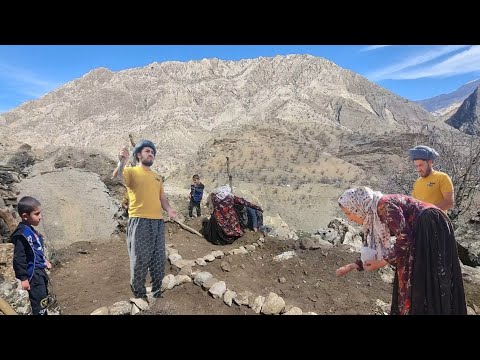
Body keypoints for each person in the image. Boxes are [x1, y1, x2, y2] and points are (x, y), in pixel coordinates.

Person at [335, 186, 466, 315]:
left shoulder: (384, 205)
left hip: (429, 226)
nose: (350, 218)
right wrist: (355, 265)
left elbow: (404, 239)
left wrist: (383, 262)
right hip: (420, 231)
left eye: (348, 213)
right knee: (415, 277)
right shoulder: (373, 217)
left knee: (427, 279)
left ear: (357, 206)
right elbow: (375, 248)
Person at [113, 139, 177, 299]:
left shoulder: (157, 177)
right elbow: (117, 176)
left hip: (158, 222)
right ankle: (139, 295)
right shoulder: (132, 171)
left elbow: (162, 197)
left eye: (153, 152)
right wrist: (122, 160)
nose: (151, 154)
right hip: (140, 221)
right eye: (147, 151)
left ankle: (156, 292)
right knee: (140, 260)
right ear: (139, 154)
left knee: (159, 259)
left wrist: (169, 209)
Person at [12, 196, 52, 315]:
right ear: (25, 216)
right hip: (33, 276)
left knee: (44, 299)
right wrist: (23, 278)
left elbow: (35, 250)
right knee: (39, 303)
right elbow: (19, 257)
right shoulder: (21, 234)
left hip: (40, 272)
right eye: (37, 214)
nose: (40, 217)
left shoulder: (30, 230)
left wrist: (45, 262)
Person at [409, 145, 454, 212]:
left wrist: (427, 212)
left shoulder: (442, 177)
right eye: (416, 166)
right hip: (420, 222)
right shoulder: (417, 183)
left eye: (421, 165)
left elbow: (449, 202)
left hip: (438, 221)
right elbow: (414, 205)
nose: (418, 169)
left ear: (430, 162)